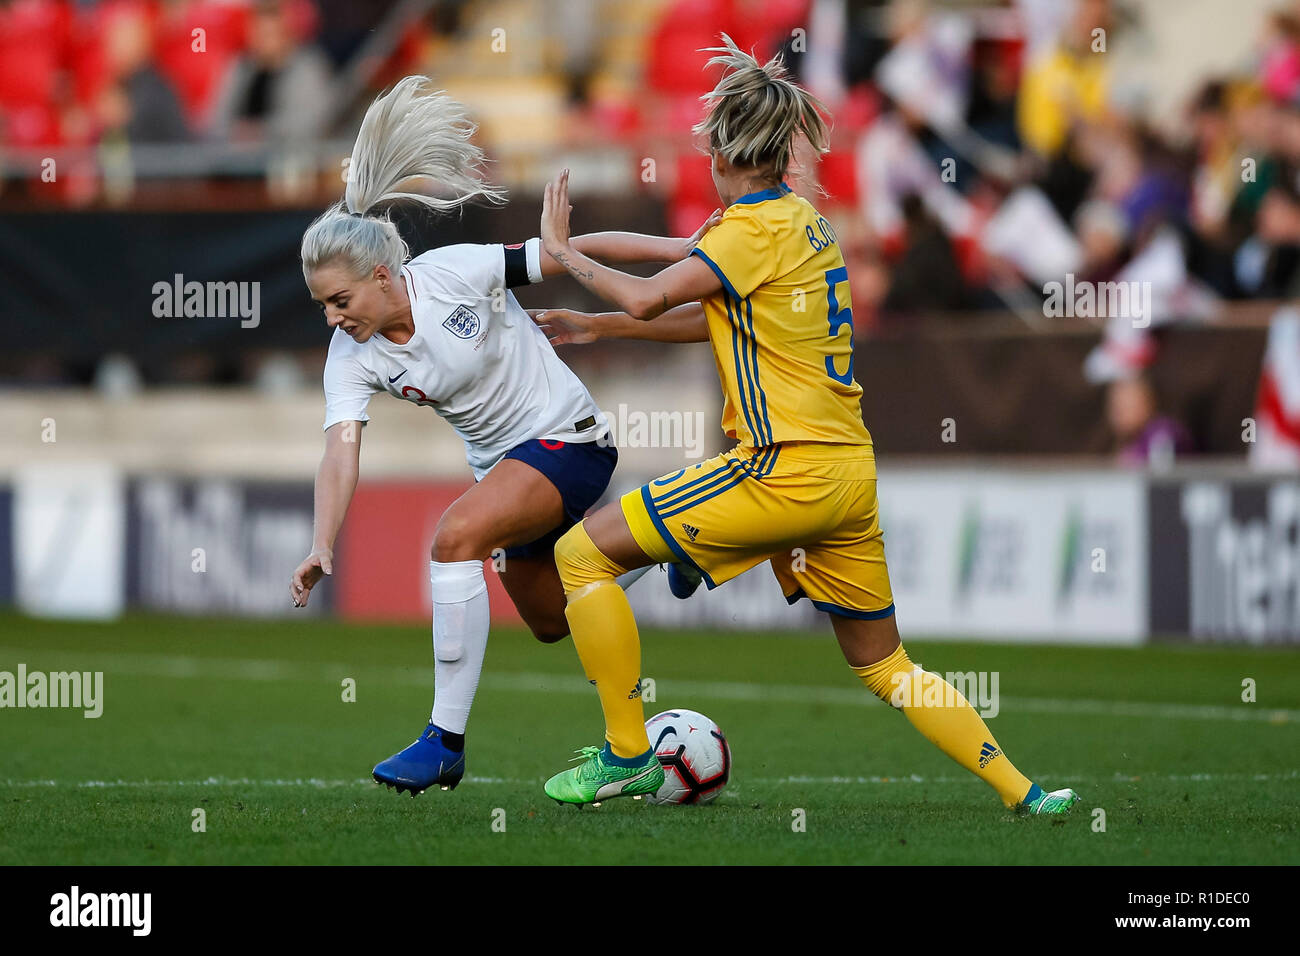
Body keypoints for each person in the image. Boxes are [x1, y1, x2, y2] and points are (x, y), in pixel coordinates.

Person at [532, 36, 1079, 815]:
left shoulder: (743, 236)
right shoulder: (799, 225)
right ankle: (1028, 794)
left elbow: (653, 294)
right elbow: (692, 296)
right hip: (849, 480)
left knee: (581, 555)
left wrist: (567, 258)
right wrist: (589, 307)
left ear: (723, 156)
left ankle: (627, 753)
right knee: (888, 665)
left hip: (780, 467)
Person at [288, 76, 718, 796]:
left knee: (455, 538)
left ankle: (443, 743)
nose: (332, 318)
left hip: (568, 439)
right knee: (552, 619)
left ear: (385, 275)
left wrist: (679, 247)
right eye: (322, 307)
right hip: (510, 470)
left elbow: (568, 251)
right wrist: (322, 541)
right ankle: (674, 538)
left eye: (340, 300)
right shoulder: (352, 354)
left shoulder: (454, 274)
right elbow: (340, 449)